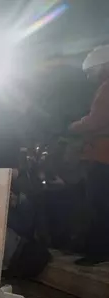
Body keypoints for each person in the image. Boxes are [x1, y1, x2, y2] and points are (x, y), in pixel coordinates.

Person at [69, 44, 109, 266]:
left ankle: (97, 251)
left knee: (98, 204)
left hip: (102, 157)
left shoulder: (106, 88)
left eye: (90, 71)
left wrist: (74, 126)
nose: (89, 77)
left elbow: (97, 120)